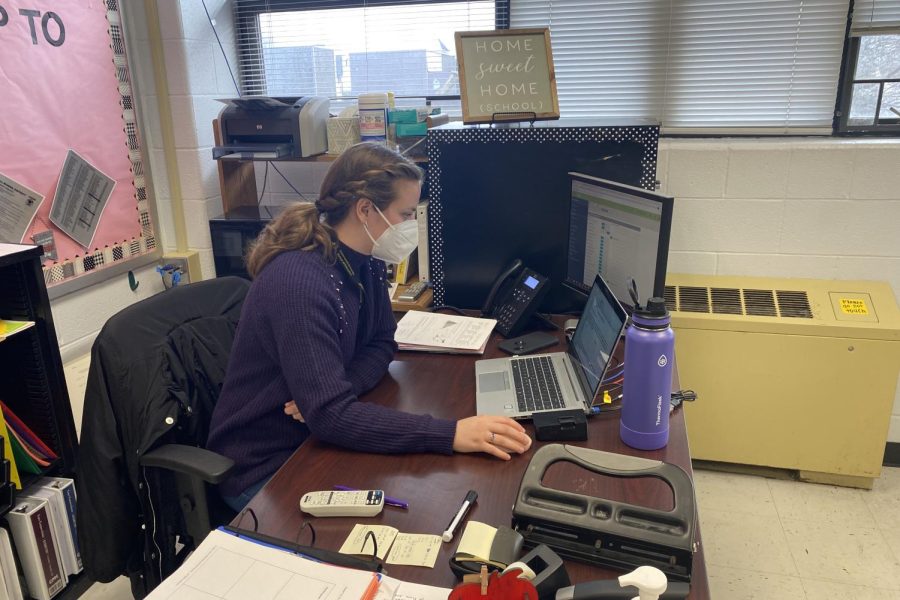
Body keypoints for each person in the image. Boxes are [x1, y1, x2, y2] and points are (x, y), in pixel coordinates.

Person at [207, 142, 532, 511]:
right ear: (365, 210)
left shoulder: (366, 260)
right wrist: (451, 433)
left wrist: (339, 390)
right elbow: (332, 416)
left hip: (313, 436)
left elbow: (381, 342)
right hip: (266, 467)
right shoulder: (299, 284)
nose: (412, 226)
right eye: (406, 213)